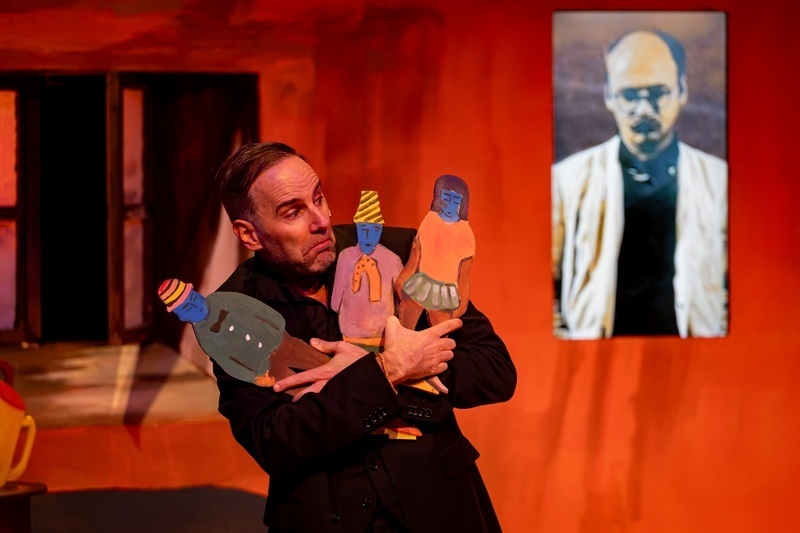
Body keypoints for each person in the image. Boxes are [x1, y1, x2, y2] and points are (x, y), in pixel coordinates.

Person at [212, 142, 516, 532]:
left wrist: (410, 366)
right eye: (293, 212)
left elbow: (495, 371)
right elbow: (275, 440)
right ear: (249, 234)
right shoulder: (233, 314)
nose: (321, 220)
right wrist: (385, 370)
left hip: (440, 506)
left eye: (319, 198)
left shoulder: (402, 250)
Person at [552, 29, 728, 339]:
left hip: (695, 359)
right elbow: (544, 283)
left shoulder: (719, 180)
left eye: (658, 93)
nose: (644, 110)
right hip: (595, 359)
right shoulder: (567, 180)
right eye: (630, 95)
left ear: (682, 90)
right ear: (609, 95)